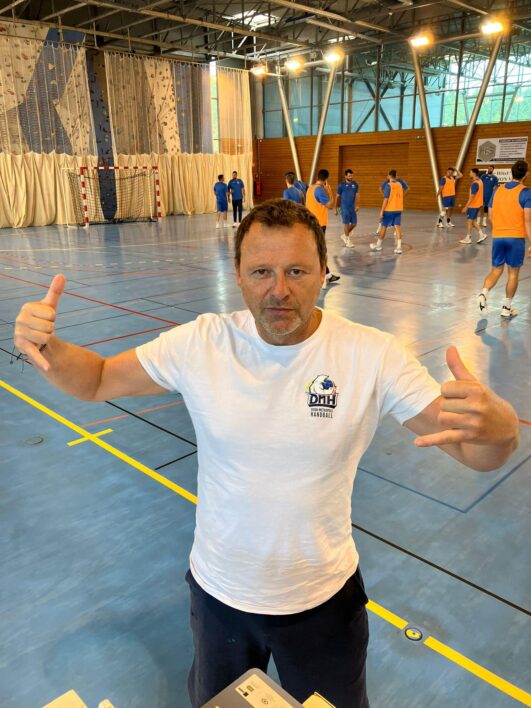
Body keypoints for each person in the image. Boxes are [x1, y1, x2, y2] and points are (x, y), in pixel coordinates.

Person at [14, 199, 519, 708]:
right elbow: (98, 379)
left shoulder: (374, 355)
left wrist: (501, 433)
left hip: (323, 600)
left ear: (324, 271)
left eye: (296, 270)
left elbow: (477, 455)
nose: (279, 289)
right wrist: (47, 349)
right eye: (261, 272)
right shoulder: (203, 343)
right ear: (237, 274)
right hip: (218, 599)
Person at [478, 159, 531, 318]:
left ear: (511, 173)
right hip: (515, 238)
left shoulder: (497, 190)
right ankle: (506, 308)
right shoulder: (526, 192)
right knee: (513, 274)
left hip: (498, 236)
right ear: (526, 174)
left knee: (496, 270)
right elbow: (528, 220)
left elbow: (491, 216)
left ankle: (483, 294)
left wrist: (500, 229)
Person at [306, 168, 340, 286]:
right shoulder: (320, 190)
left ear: (317, 177)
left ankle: (327, 274)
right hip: (319, 224)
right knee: (320, 251)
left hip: (310, 222)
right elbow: (330, 205)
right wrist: (329, 191)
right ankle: (324, 276)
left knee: (316, 249)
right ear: (326, 180)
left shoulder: (310, 188)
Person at [371, 170, 408, 254]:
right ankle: (399, 247)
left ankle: (378, 245)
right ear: (396, 176)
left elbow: (386, 199)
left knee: (384, 227)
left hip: (389, 210)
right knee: (397, 227)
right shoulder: (399, 184)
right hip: (398, 209)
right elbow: (404, 191)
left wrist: (381, 210)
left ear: (389, 176)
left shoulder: (388, 185)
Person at [459, 168, 487, 245]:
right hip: (478, 204)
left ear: (474, 173)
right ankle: (482, 234)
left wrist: (466, 207)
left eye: (470, 172)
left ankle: (468, 238)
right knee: (473, 221)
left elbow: (472, 197)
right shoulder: (480, 181)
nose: (469, 174)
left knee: (469, 221)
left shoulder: (475, 183)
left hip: (473, 205)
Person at [335, 169, 359, 249]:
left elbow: (356, 196)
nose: (351, 177)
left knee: (354, 223)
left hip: (352, 207)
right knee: (346, 223)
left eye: (352, 175)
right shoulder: (341, 185)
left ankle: (345, 235)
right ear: (345, 176)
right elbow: (337, 197)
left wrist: (357, 205)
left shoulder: (355, 184)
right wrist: (336, 208)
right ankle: (348, 241)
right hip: (343, 207)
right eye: (349, 176)